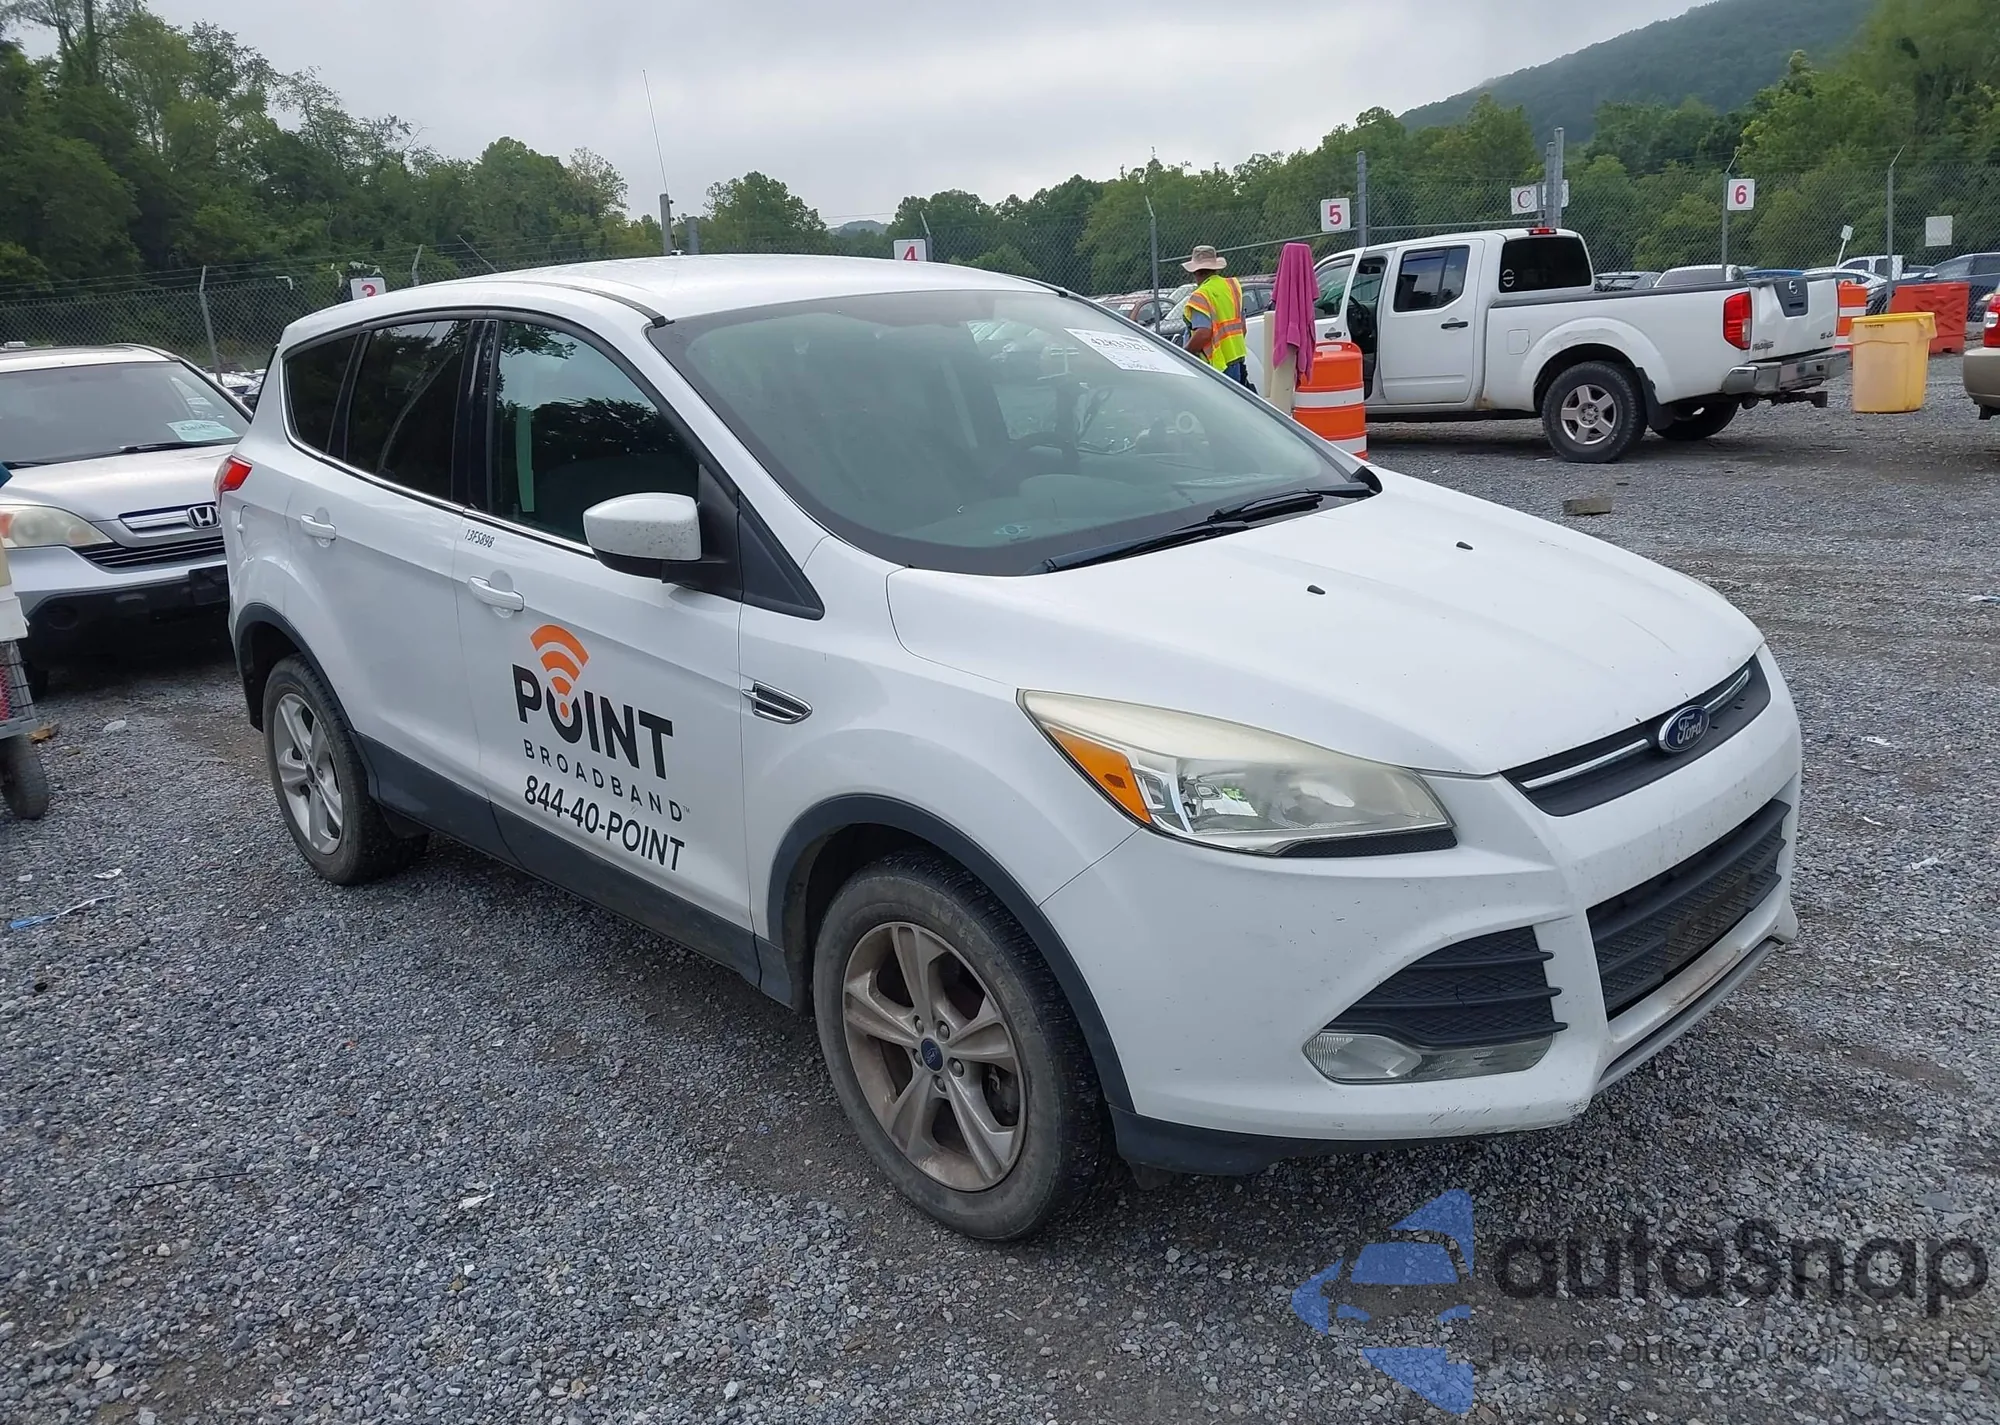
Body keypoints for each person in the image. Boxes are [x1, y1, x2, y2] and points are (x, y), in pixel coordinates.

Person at [1181, 245, 1252, 388]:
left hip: (1215, 366)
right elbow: (1242, 328)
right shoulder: (1232, 286)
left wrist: (1184, 353)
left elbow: (1203, 333)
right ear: (1216, 268)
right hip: (1236, 359)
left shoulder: (1201, 295)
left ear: (1195, 272)